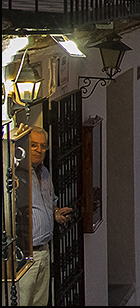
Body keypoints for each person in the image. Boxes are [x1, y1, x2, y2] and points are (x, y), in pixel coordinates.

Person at [17, 127, 72, 306]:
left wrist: (56, 213)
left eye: (43, 146)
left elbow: (51, 201)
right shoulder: (16, 175)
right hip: (25, 254)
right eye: (33, 145)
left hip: (44, 251)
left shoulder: (45, 172)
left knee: (40, 302)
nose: (39, 150)